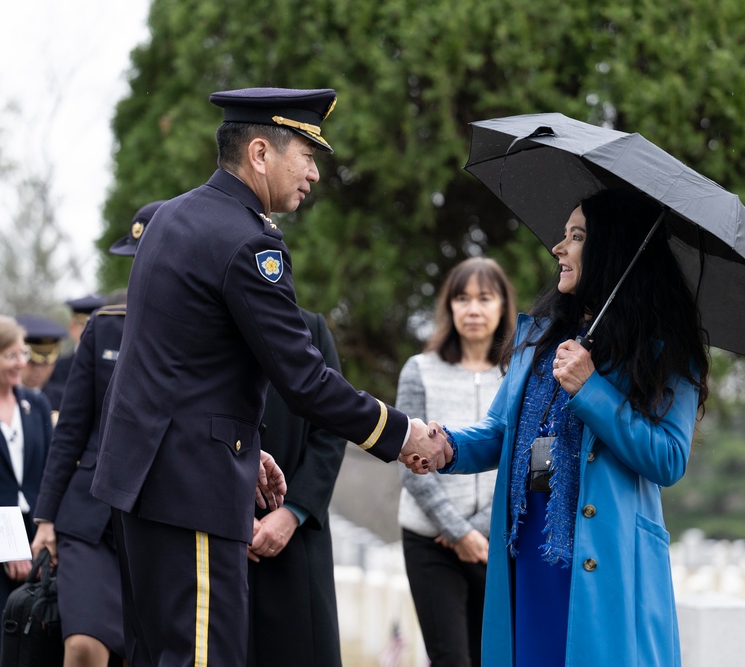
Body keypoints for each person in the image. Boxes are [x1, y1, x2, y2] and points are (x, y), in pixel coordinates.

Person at [90, 86, 442, 666]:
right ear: (260, 152)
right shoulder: (249, 243)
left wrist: (245, 448)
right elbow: (304, 380)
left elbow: (173, 363)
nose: (315, 174)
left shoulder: (173, 218)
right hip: (192, 495)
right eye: (306, 155)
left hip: (142, 484)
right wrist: (401, 434)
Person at [420, 190, 710, 666]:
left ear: (611, 250)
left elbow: (668, 458)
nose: (559, 247)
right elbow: (500, 431)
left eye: (576, 237)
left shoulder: (667, 352)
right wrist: (448, 447)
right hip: (530, 543)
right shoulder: (541, 335)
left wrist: (592, 388)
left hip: (603, 556)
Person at [30, 200, 164, 667]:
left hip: (157, 517)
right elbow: (69, 432)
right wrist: (46, 518)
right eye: (134, 258)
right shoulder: (104, 327)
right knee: (84, 646)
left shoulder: (200, 327)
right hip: (87, 518)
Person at [396, 257, 516, 667]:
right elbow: (408, 459)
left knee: (492, 657)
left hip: (492, 541)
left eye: (485, 298)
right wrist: (455, 529)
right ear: (449, 307)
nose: (473, 309)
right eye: (462, 298)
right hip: (429, 539)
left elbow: (518, 460)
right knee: (450, 658)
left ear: (503, 307)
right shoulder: (420, 370)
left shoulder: (517, 377)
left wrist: (476, 531)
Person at [246, 307, 346, 667]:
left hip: (298, 539)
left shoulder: (311, 328)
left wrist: (292, 512)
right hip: (218, 538)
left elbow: (333, 429)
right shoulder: (203, 325)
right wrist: (230, 516)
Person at [0, 314, 54, 667]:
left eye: (23, 353)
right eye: (12, 355)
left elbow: (51, 470)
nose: (23, 362)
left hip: (37, 535)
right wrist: (5, 544)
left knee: (38, 638)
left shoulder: (37, 405)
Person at [43, 293, 105, 413]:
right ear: (72, 328)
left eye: (99, 327)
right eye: (85, 326)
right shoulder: (57, 368)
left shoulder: (114, 366)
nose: (92, 333)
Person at [16, 314, 66, 399]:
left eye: (45, 363)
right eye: (32, 361)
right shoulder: (1, 398)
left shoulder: (64, 399)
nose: (38, 369)